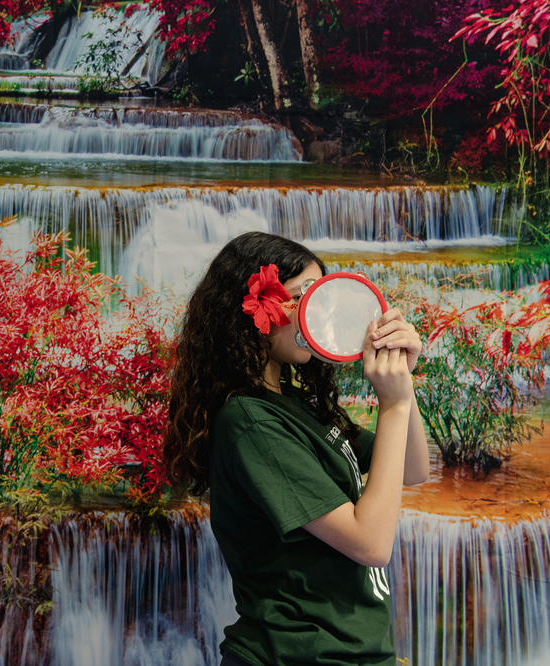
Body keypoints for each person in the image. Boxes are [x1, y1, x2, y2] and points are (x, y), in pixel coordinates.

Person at [163, 232, 430, 666]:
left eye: (320, 294)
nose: (315, 312)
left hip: (352, 653)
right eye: (299, 297)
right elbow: (371, 543)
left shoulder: (298, 402)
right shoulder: (250, 423)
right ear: (252, 311)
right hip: (294, 654)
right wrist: (393, 404)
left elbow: (413, 468)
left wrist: (403, 383)